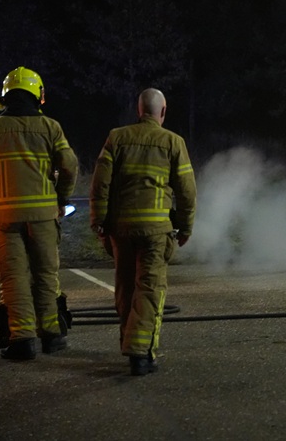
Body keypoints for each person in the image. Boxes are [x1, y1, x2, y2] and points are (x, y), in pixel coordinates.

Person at [0, 66, 79, 359]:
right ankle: (52, 336)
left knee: (13, 278)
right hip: (43, 215)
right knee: (45, 274)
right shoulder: (51, 127)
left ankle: (23, 340)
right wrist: (61, 197)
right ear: (38, 95)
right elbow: (70, 166)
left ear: (5, 97)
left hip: (6, 216)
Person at [90, 88, 196, 376]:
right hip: (155, 232)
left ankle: (130, 343)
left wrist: (99, 222)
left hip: (121, 230)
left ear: (139, 110)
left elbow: (100, 183)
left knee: (125, 287)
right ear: (162, 112)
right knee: (149, 289)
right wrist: (185, 227)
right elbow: (186, 191)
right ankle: (139, 352)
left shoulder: (117, 137)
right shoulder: (173, 142)